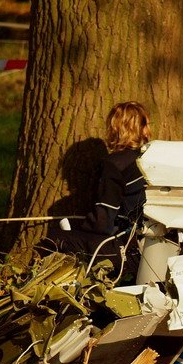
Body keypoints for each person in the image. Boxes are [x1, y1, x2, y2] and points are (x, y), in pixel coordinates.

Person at [39, 101, 152, 279]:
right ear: (142, 129)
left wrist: (81, 226)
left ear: (115, 129)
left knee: (53, 239)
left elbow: (103, 222)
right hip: (155, 246)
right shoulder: (152, 160)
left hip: (129, 251)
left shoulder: (115, 165)